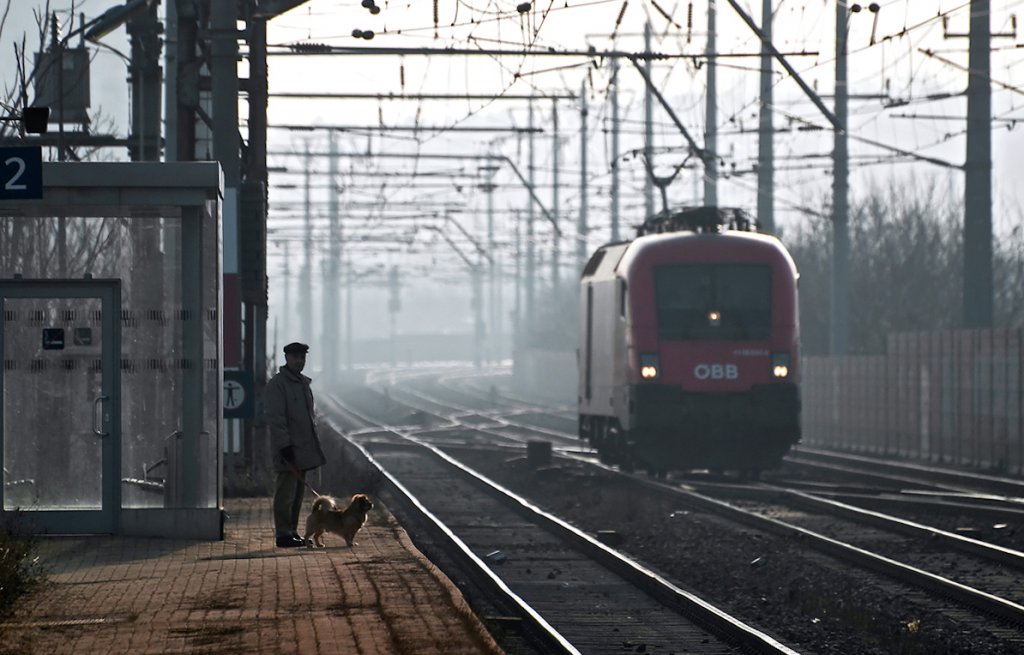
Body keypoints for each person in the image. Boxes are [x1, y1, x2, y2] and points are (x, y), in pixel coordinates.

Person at [263, 342, 326, 547]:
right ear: (287, 358)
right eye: (296, 357)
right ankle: (283, 534)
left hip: (302, 450)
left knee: (297, 494)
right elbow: (277, 419)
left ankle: (292, 531)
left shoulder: (302, 384)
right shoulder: (277, 385)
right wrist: (284, 447)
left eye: (302, 357)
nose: (300, 361)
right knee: (285, 494)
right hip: (287, 450)